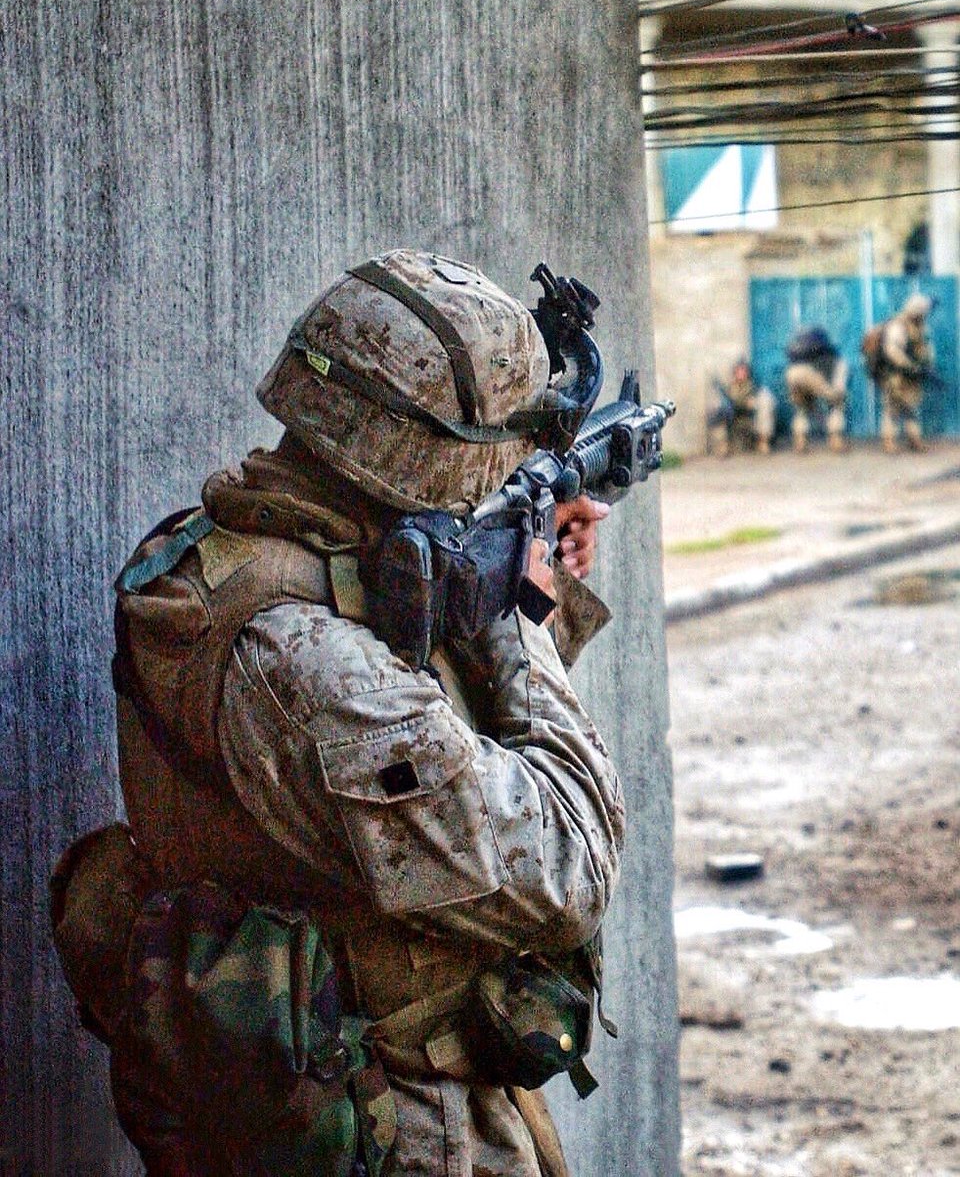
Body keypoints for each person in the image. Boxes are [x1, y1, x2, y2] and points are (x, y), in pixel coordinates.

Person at [50, 250, 625, 1176]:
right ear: (434, 459)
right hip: (397, 1124)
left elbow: (428, 758)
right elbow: (566, 870)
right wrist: (525, 627)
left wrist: (512, 582)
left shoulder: (241, 551)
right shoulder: (303, 659)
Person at [872, 293, 935, 453]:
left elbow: (923, 347)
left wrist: (924, 366)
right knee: (892, 409)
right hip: (896, 374)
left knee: (910, 408)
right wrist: (910, 366)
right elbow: (892, 351)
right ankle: (889, 442)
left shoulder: (918, 325)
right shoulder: (898, 325)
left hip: (910, 375)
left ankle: (914, 440)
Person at [784, 326, 848, 453]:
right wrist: (836, 394)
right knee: (837, 402)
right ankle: (835, 439)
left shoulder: (800, 354)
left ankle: (800, 441)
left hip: (792, 375)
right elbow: (839, 386)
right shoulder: (835, 359)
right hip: (812, 376)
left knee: (801, 408)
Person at [706, 356, 775, 457]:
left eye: (744, 371)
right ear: (735, 372)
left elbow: (754, 402)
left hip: (750, 422)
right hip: (734, 421)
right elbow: (729, 402)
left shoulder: (752, 387)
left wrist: (750, 403)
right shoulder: (730, 387)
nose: (741, 373)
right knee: (721, 412)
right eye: (739, 370)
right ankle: (722, 446)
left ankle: (763, 441)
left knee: (765, 401)